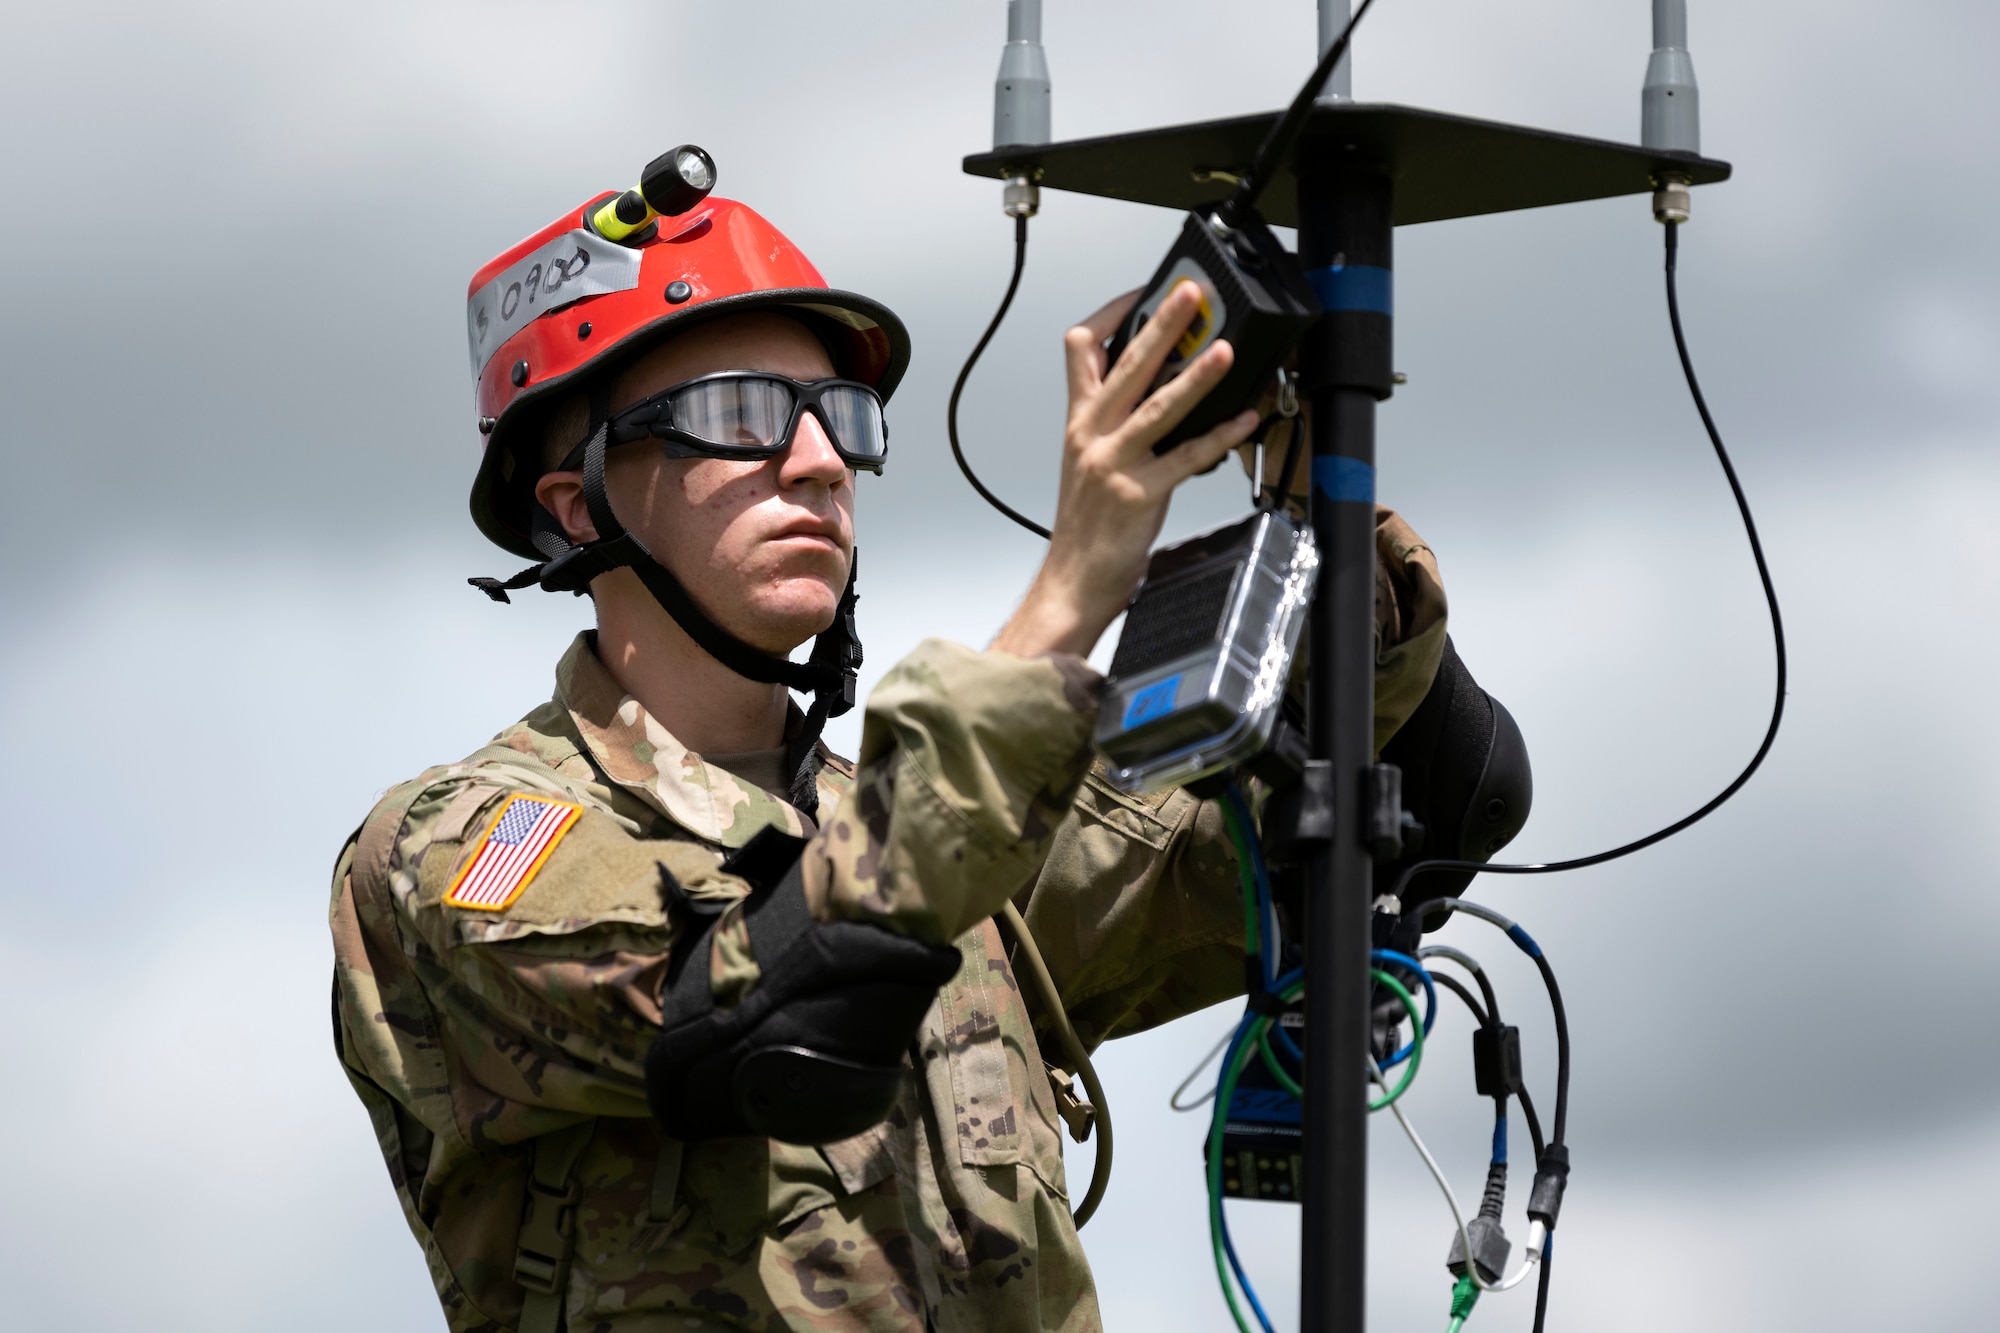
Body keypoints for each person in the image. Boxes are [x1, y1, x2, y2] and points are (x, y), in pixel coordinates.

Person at [329, 172, 1475, 1333]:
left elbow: (1416, 804)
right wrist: (1074, 586)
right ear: (577, 508)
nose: (822, 461)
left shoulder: (959, 857)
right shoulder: (460, 847)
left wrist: (1304, 497)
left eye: (842, 416)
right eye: (741, 413)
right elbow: (767, 1004)